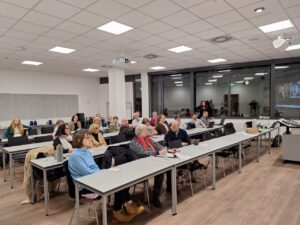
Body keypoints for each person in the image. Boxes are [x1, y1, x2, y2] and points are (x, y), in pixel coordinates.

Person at [68, 130, 144, 223]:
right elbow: (88, 173)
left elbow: (94, 169)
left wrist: (106, 172)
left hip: (95, 179)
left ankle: (126, 204)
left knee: (123, 180)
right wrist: (106, 171)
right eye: (87, 138)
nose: (90, 139)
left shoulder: (87, 152)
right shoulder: (75, 155)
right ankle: (117, 213)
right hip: (85, 185)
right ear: (79, 140)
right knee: (118, 185)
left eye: (90, 137)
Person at [129, 124, 167, 208]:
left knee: (161, 171)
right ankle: (155, 196)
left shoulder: (148, 139)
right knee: (160, 170)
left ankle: (155, 196)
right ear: (140, 132)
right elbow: (142, 153)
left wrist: (164, 149)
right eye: (146, 130)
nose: (148, 132)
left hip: (151, 161)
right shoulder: (134, 142)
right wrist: (157, 153)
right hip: (141, 165)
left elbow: (158, 146)